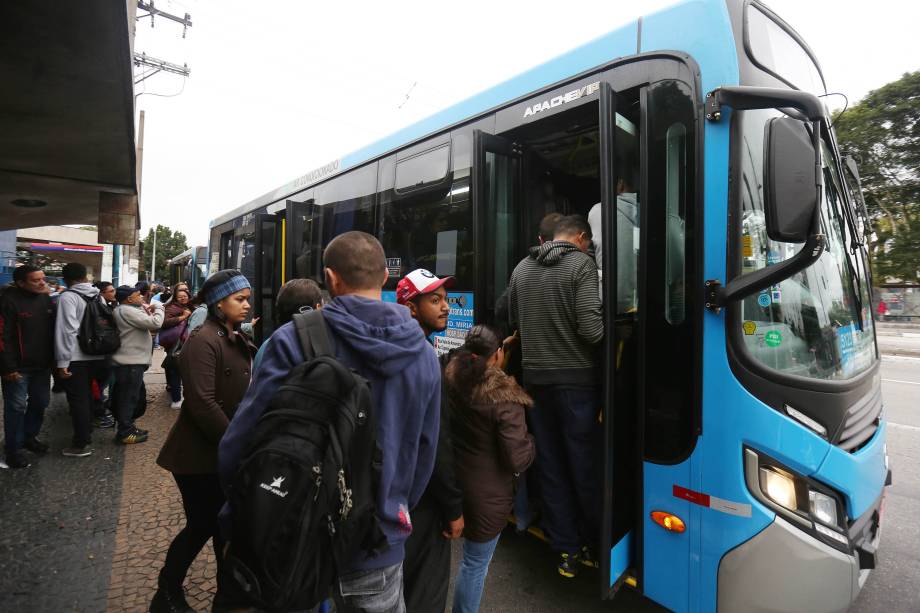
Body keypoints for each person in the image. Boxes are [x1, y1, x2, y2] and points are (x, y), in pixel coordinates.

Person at [219, 231, 441, 613]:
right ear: (383, 278)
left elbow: (240, 445)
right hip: (379, 544)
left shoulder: (293, 340)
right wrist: (391, 506)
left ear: (331, 278)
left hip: (295, 537)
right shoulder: (424, 354)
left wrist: (249, 513)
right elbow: (423, 456)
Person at [151, 270, 255, 613]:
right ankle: (166, 594)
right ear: (218, 302)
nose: (246, 304)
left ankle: (226, 597)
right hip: (197, 457)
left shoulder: (231, 336)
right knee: (203, 526)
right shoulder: (203, 339)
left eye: (246, 298)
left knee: (222, 528)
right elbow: (202, 403)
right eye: (239, 299)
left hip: (220, 452)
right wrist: (236, 444)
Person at [508, 214, 604, 577]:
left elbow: (517, 319)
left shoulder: (520, 269)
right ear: (580, 237)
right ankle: (596, 543)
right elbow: (592, 331)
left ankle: (566, 550)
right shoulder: (581, 265)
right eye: (590, 242)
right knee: (584, 466)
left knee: (550, 465)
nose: (590, 247)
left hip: (536, 383)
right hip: (577, 385)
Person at [445, 325, 535, 612]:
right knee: (474, 564)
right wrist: (532, 440)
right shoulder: (504, 397)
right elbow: (518, 459)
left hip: (452, 482)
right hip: (487, 497)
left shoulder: (450, 379)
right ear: (497, 355)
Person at [396, 268, 464, 613]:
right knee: (425, 590)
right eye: (435, 300)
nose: (447, 307)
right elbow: (436, 442)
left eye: (447, 299)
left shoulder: (393, 347)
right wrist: (453, 507)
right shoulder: (423, 358)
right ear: (410, 307)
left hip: (394, 497)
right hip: (421, 502)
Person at [55, 262, 114, 457]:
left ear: (66, 279)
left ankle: (81, 443)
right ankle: (87, 431)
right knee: (89, 394)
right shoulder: (98, 295)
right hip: (99, 354)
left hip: (77, 357)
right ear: (85, 276)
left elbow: (67, 330)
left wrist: (63, 362)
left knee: (78, 399)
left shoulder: (68, 297)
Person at [0, 265, 54, 468]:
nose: (42, 283)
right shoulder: (8, 301)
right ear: (21, 283)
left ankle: (29, 437)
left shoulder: (45, 298)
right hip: (17, 368)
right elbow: (2, 337)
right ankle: (13, 449)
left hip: (42, 365)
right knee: (16, 407)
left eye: (43, 278)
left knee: (40, 403)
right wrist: (7, 367)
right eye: (36, 280)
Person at [110, 285, 163, 444]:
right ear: (129, 299)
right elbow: (155, 323)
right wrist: (159, 307)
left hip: (132, 362)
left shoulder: (127, 309)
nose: (142, 297)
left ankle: (128, 426)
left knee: (133, 396)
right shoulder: (126, 310)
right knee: (128, 397)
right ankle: (125, 433)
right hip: (130, 363)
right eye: (138, 295)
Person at [587, 171, 639, 307]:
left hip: (611, 304)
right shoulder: (652, 212)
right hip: (643, 303)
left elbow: (589, 255)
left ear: (620, 184)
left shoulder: (600, 210)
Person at [161, 286, 193, 408]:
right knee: (176, 372)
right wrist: (183, 317)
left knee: (182, 371)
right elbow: (164, 323)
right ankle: (176, 400)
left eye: (185, 295)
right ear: (175, 298)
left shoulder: (190, 306)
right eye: (180, 297)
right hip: (176, 343)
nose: (183, 298)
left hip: (185, 342)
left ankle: (181, 397)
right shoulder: (172, 307)